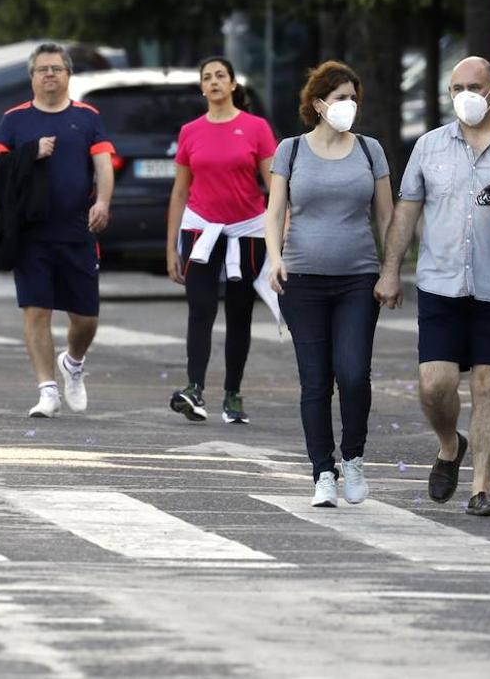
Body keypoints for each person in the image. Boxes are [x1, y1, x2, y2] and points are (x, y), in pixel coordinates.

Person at [375, 56, 490, 517]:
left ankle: (481, 489)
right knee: (434, 384)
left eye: (473, 87)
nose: (465, 96)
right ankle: (447, 444)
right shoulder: (429, 147)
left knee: (487, 385)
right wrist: (391, 269)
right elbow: (406, 213)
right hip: (442, 282)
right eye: (456, 88)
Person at [265, 61, 394, 507]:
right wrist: (274, 259)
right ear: (319, 104)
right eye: (341, 98)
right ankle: (323, 470)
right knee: (315, 380)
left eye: (353, 98)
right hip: (302, 280)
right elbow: (275, 210)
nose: (349, 106)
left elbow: (387, 216)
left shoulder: (370, 150)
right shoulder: (291, 150)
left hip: (358, 278)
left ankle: (354, 457)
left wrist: (392, 269)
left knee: (354, 373)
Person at [0, 42, 115, 418]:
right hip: (30, 232)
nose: (50, 75)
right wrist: (29, 151)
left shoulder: (88, 117)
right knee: (36, 311)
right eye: (42, 69)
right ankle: (47, 391)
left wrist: (102, 203)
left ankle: (72, 363)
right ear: (32, 77)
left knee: (86, 318)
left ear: (68, 74)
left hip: (77, 229)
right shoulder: (15, 120)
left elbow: (104, 165)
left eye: (57, 68)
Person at [165, 56, 277, 424]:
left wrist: (281, 236)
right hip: (200, 230)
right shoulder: (189, 131)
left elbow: (275, 186)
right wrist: (171, 247)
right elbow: (180, 192)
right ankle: (194, 389)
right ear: (202, 87)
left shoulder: (256, 128)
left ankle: (233, 393)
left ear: (232, 84)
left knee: (239, 314)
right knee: (200, 311)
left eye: (220, 76)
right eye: (207, 77)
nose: (213, 82)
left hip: (246, 231)